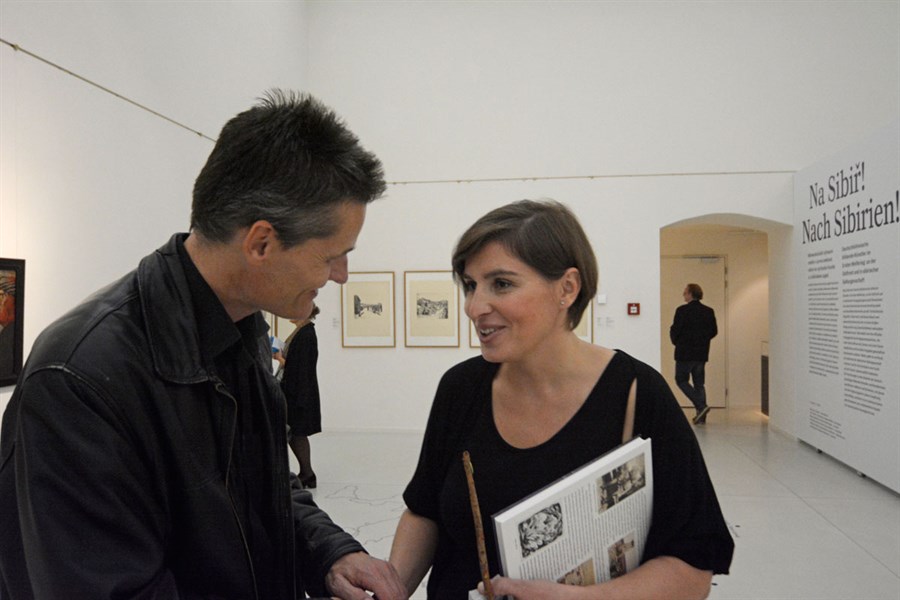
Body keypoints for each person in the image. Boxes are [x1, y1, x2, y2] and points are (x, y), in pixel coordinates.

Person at [0, 90, 407, 600]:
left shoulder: (241, 329)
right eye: (331, 257)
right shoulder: (79, 379)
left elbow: (259, 488)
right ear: (261, 243)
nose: (341, 275)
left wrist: (329, 553)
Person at [389, 200, 733, 599]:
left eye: (501, 284)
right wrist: (389, 589)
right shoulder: (461, 388)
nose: (474, 307)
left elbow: (692, 569)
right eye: (470, 285)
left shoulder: (637, 395)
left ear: (567, 288)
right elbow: (425, 512)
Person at [282, 304, 322, 489]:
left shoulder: (306, 334)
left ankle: (307, 473)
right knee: (296, 433)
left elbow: (302, 367)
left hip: (299, 393)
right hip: (296, 391)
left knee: (297, 433)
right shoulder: (302, 331)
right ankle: (306, 473)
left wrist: (281, 360)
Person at [670, 283, 718, 424]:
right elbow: (713, 331)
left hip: (684, 353)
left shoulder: (682, 311)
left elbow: (676, 330)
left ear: (691, 294)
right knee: (699, 384)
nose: (683, 295)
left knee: (681, 380)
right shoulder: (708, 311)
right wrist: (702, 341)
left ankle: (701, 406)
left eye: (685, 292)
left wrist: (677, 341)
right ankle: (701, 417)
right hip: (701, 353)